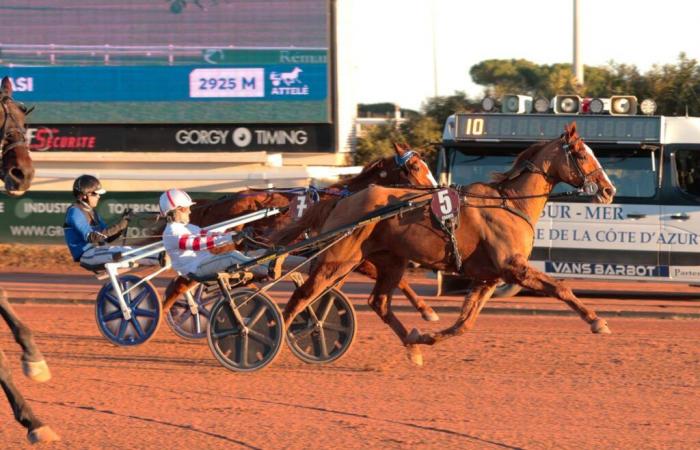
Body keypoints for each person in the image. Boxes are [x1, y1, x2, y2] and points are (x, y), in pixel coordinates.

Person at [160, 188, 306, 281]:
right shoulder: (171, 232)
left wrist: (235, 233)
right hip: (196, 269)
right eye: (186, 209)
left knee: (254, 253)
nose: (190, 212)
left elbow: (209, 234)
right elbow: (196, 244)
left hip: (205, 262)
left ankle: (267, 261)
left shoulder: (189, 227)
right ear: (175, 211)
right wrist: (230, 238)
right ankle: (265, 269)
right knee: (231, 255)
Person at [63, 175, 158, 269]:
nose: (99, 196)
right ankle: (160, 257)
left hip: (99, 251)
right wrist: (119, 226)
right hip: (87, 255)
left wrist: (124, 223)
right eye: (95, 193)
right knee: (123, 252)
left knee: (129, 250)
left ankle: (159, 256)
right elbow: (92, 237)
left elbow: (108, 238)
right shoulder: (74, 211)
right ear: (84, 195)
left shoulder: (93, 212)